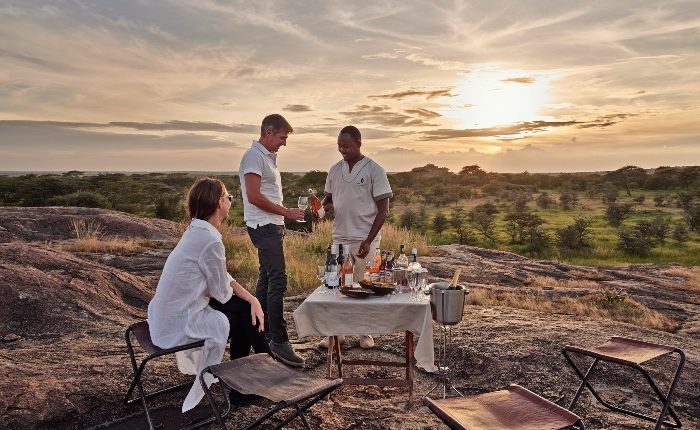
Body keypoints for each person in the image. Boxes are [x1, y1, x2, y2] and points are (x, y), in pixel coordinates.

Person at [147, 178, 265, 412]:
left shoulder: (196, 231)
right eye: (228, 197)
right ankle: (263, 370)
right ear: (218, 203)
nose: (230, 201)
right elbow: (221, 292)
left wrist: (252, 299)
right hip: (178, 325)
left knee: (245, 310)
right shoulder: (209, 239)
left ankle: (252, 377)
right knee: (244, 315)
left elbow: (221, 277)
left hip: (166, 319)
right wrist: (251, 302)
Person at [239, 113, 306, 367]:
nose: (284, 142)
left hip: (270, 225)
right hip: (264, 226)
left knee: (267, 278)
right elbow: (254, 196)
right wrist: (286, 212)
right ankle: (278, 341)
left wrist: (283, 214)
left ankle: (262, 334)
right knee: (278, 279)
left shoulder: (266, 157)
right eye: (282, 137)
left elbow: (264, 195)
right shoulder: (254, 156)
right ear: (268, 132)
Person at [321, 125, 393, 349]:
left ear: (359, 143)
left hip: (365, 238)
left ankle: (365, 333)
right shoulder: (334, 170)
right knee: (339, 285)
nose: (343, 150)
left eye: (347, 146)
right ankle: (337, 332)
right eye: (340, 146)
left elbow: (384, 210)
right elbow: (329, 199)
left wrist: (369, 240)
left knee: (365, 285)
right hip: (340, 236)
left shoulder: (374, 170)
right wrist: (321, 208)